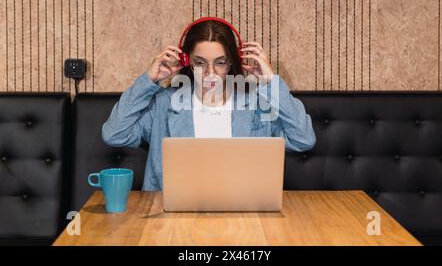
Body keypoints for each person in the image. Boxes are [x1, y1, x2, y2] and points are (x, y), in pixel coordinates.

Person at [101, 18, 316, 191]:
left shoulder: (256, 105)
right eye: (200, 62)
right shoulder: (165, 103)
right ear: (187, 61)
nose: (210, 73)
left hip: (243, 217)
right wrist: (148, 81)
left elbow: (303, 139)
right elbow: (114, 134)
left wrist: (271, 83)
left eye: (220, 62)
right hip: (171, 220)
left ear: (232, 61)